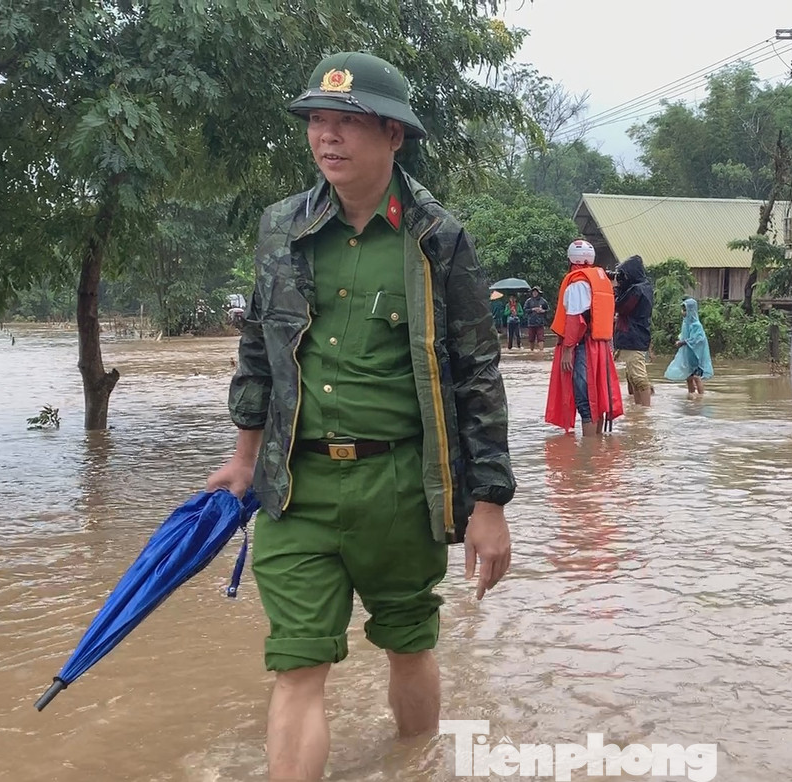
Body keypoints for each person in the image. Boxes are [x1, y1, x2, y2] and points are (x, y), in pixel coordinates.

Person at [205, 51, 515, 782]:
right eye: (318, 120)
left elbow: (477, 372)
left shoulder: (437, 237)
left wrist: (490, 504)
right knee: (296, 664)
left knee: (409, 643)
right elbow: (258, 349)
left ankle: (415, 766)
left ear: (393, 135)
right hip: (297, 489)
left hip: (400, 488)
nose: (328, 137)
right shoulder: (282, 226)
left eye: (347, 122)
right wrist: (245, 457)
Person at [545, 239, 624, 436]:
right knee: (598, 396)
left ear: (571, 259)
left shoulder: (577, 283)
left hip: (583, 346)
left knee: (585, 400)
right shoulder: (601, 280)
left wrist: (567, 350)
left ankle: (588, 450)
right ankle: (598, 446)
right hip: (601, 346)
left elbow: (575, 320)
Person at [612, 254, 655, 406]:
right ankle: (639, 410)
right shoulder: (644, 287)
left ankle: (645, 410)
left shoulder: (637, 290)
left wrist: (616, 288)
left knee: (638, 377)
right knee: (633, 377)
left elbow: (620, 306)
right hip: (636, 336)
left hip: (633, 337)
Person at [663, 298, 714, 394]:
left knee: (697, 377)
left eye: (685, 310)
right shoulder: (686, 324)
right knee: (689, 378)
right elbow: (684, 336)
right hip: (689, 356)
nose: (683, 312)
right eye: (683, 310)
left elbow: (697, 339)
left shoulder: (696, 325)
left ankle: (701, 397)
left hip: (697, 356)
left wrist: (683, 342)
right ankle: (691, 396)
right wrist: (681, 341)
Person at [523, 286, 548, 350]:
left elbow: (548, 310)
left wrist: (543, 311)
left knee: (541, 338)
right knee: (531, 339)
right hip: (531, 322)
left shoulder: (543, 301)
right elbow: (525, 310)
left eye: (536, 292)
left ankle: (541, 351)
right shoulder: (528, 301)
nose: (534, 293)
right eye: (533, 292)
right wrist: (533, 309)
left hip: (540, 323)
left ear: (539, 293)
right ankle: (532, 351)